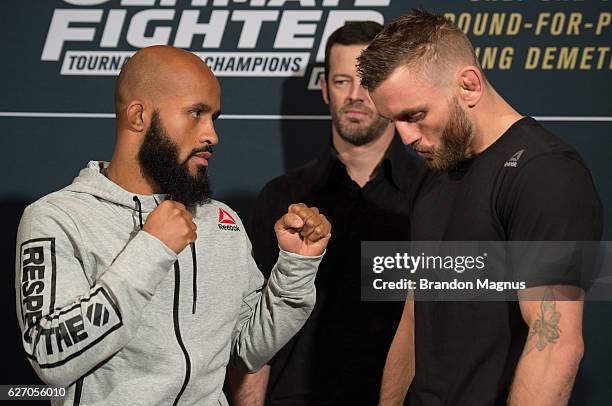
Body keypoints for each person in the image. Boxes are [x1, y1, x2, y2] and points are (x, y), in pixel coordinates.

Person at [15, 45, 331, 405]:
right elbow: (50, 355)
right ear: (139, 116)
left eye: (215, 117)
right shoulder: (58, 218)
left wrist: (295, 267)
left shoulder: (219, 221)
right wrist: (151, 249)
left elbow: (246, 349)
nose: (212, 135)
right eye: (196, 113)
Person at [357, 10, 604, 405]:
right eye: (393, 121)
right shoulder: (437, 167)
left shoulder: (545, 172)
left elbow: (554, 344)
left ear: (469, 85)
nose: (405, 137)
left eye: (415, 115)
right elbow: (415, 314)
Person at [228, 22, 422, 405]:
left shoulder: (433, 193)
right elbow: (254, 327)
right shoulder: (281, 197)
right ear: (324, 90)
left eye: (367, 82)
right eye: (341, 82)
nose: (354, 96)